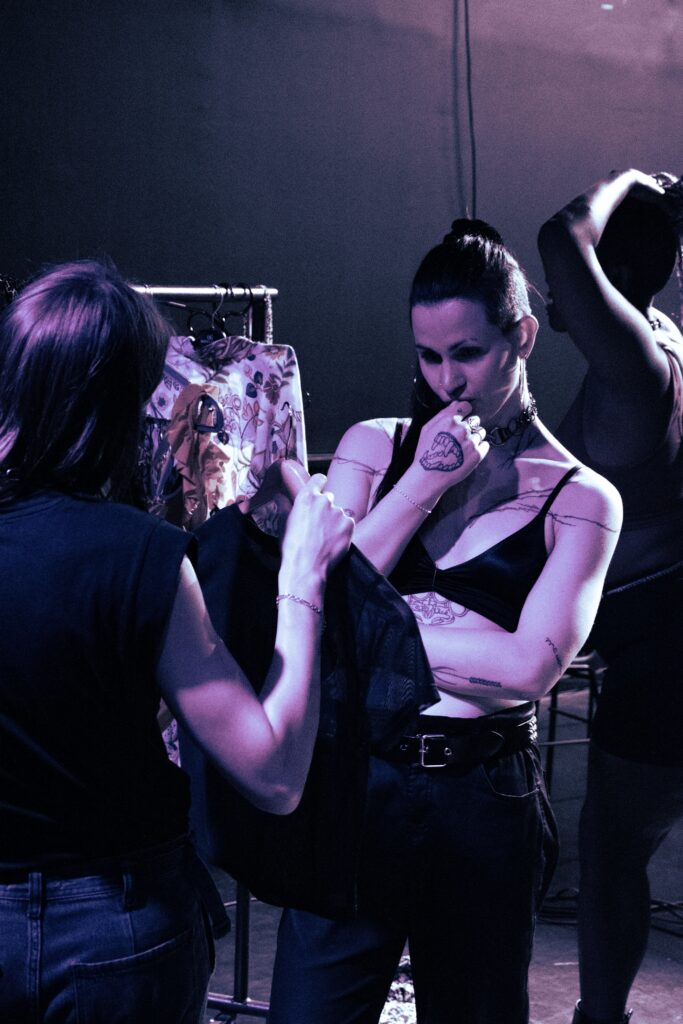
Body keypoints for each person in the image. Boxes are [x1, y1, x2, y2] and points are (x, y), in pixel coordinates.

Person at [267, 219, 623, 1024]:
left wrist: (362, 627)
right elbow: (315, 590)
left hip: (481, 795)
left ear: (521, 336)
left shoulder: (581, 497)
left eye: (467, 353)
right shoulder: (372, 448)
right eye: (428, 357)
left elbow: (530, 668)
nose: (445, 380)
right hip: (358, 781)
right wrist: (421, 486)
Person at [0, 260, 353, 1023]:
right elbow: (273, 774)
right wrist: (302, 575)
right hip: (114, 924)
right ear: (130, 400)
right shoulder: (138, 555)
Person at [538, 169, 683, 1024]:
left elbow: (562, 238)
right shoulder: (664, 338)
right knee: (616, 845)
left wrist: (629, 177)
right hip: (653, 642)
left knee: (612, 849)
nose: (547, 288)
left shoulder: (635, 363)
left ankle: (599, 1021)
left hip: (665, 653)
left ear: (612, 274)